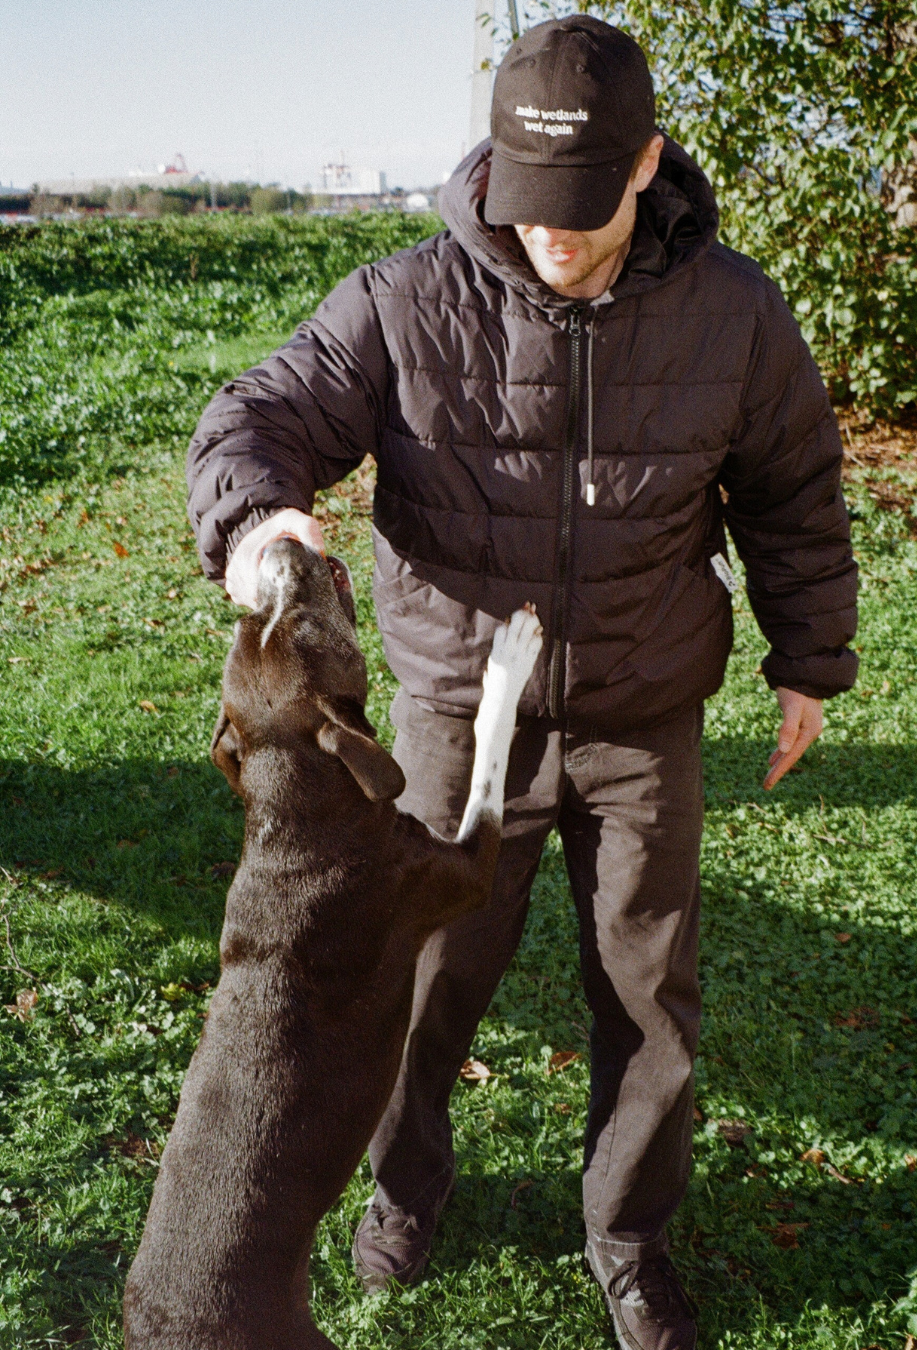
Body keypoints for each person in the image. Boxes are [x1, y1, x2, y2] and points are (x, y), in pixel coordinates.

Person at [186, 16, 858, 1349]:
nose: (553, 232)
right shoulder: (400, 299)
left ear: (648, 162)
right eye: (530, 199)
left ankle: (629, 1236)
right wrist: (261, 522)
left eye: (585, 204)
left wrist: (809, 661)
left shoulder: (736, 312)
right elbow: (258, 415)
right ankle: (402, 1188)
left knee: (648, 992)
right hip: (449, 713)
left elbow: (794, 494)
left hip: (640, 708)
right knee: (420, 977)